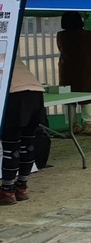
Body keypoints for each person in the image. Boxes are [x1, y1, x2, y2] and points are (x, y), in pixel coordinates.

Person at [1, 60, 45, 205]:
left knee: (11, 144)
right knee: (27, 143)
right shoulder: (8, 45)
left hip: (14, 95)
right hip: (36, 93)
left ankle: (7, 190)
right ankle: (22, 187)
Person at [56, 11, 91, 135]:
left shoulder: (61, 35)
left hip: (66, 70)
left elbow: (60, 48)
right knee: (88, 96)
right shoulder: (87, 34)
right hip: (84, 69)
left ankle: (73, 126)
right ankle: (88, 125)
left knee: (68, 97)